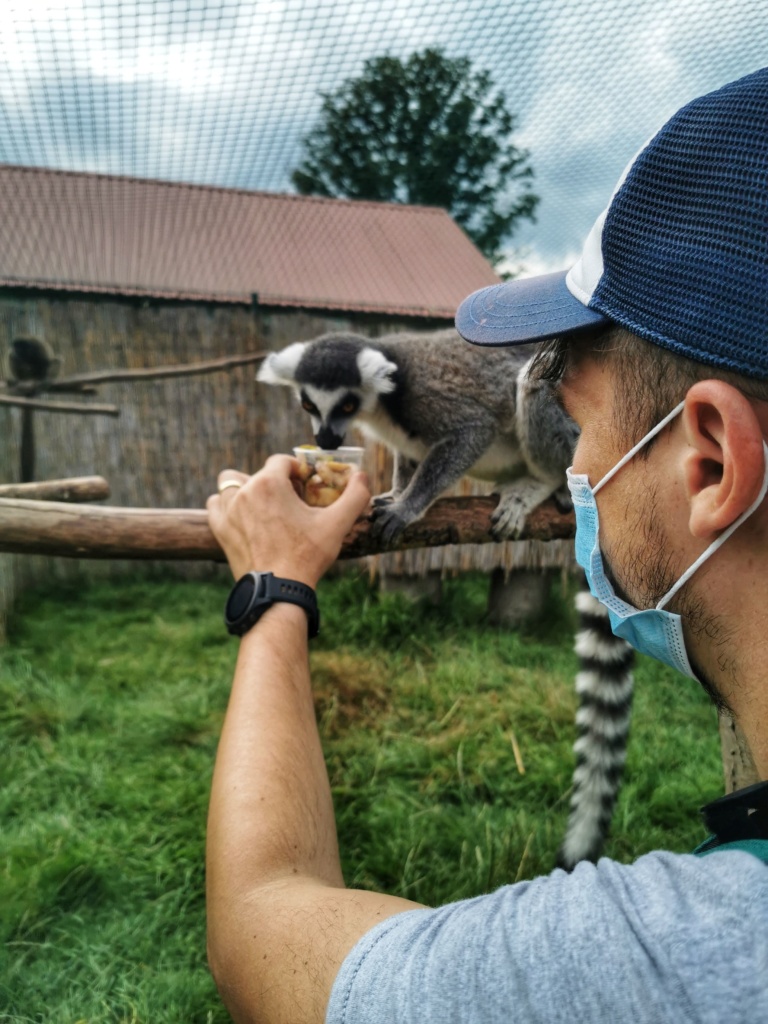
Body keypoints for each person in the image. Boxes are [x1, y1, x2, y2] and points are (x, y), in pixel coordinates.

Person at [205, 67, 768, 1024]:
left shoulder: (659, 967)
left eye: (580, 418)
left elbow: (260, 932)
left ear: (710, 462)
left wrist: (274, 587)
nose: (579, 455)